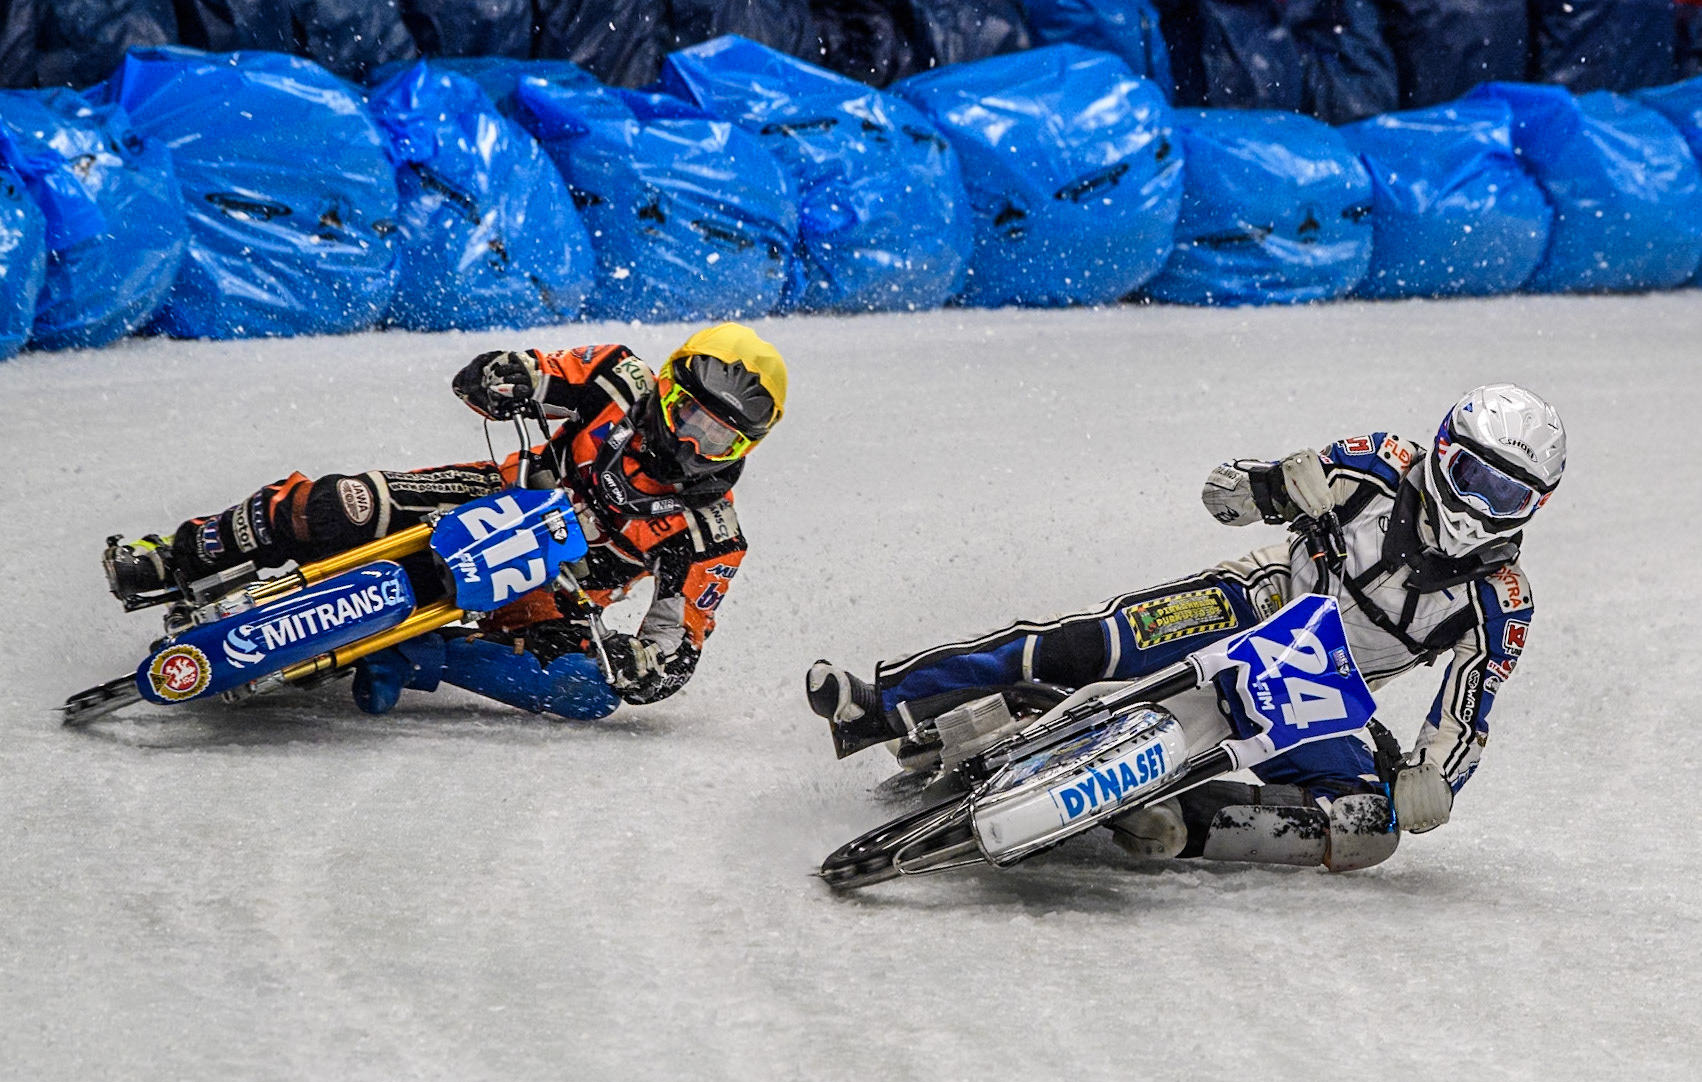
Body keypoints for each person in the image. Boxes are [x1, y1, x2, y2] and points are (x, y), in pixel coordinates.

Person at [807, 384, 1565, 871]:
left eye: (1510, 496)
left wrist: (1435, 778)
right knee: (1091, 642)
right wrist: (1270, 486)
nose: (1481, 507)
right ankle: (881, 701)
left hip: (1317, 692)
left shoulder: (1502, 601)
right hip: (1256, 601)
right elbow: (1229, 491)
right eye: (1474, 478)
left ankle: (1170, 819)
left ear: (1535, 509)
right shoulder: (1376, 466)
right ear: (1440, 453)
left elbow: (1465, 715)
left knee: (1370, 827)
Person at [104, 322, 787, 720]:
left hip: (555, 591)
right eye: (691, 418)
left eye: (721, 439)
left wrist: (644, 665)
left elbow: (678, 644)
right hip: (494, 496)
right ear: (666, 388)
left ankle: (405, 650)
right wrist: (506, 376)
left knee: (590, 693)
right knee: (342, 505)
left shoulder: (713, 535)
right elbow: (527, 373)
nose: (696, 446)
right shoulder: (619, 377)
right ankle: (181, 553)